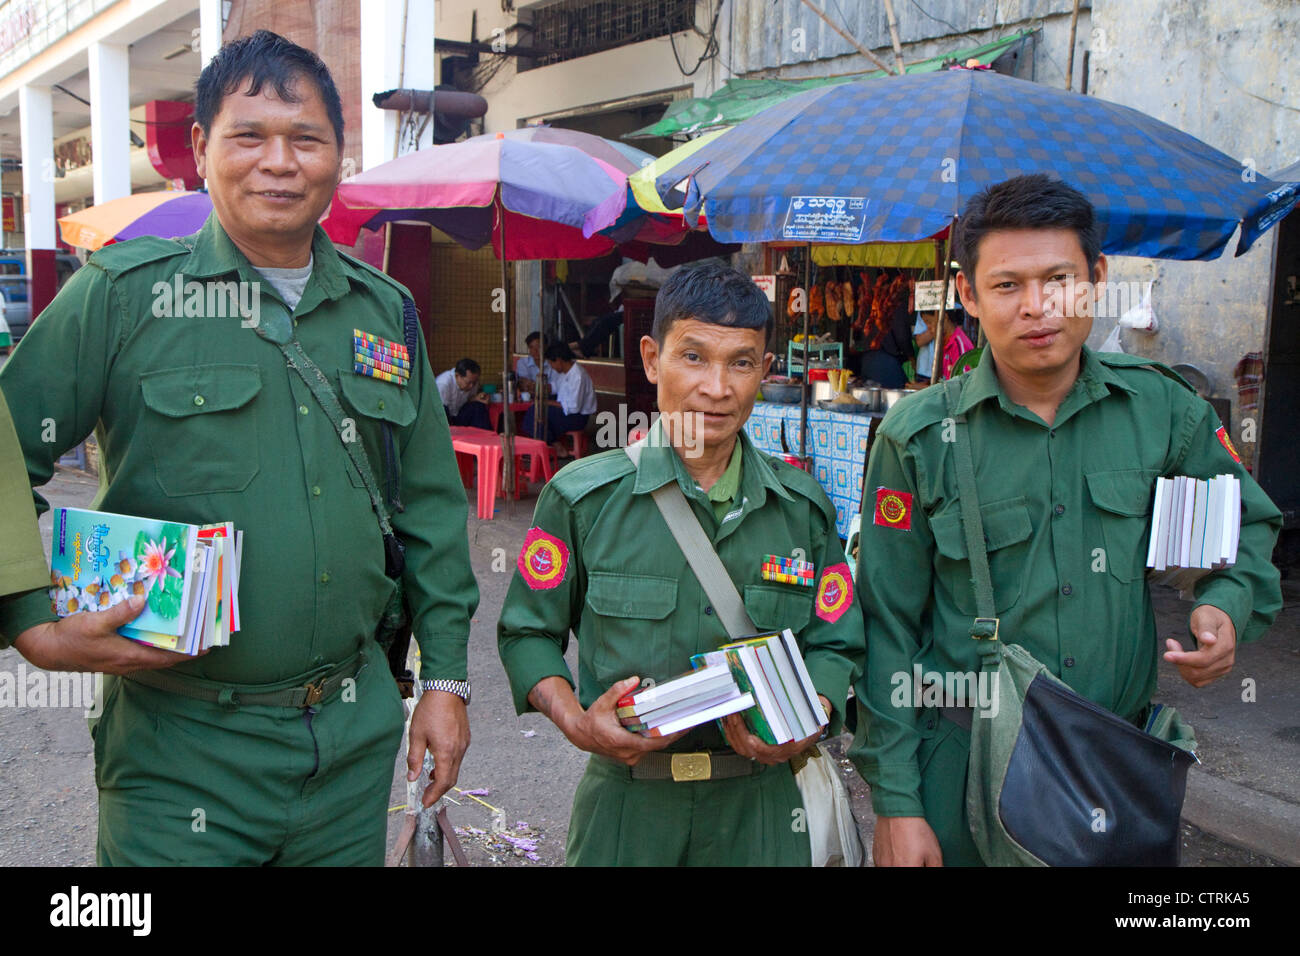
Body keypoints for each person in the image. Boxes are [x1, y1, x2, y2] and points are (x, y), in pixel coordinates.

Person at [0, 30, 477, 866]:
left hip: (349, 740)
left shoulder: (385, 313)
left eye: (306, 138)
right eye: (249, 136)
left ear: (339, 154)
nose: (279, 163)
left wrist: (444, 682)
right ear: (199, 150)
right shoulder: (121, 297)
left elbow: (431, 505)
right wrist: (30, 619)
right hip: (180, 751)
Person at [850, 173, 1283, 867]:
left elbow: (1238, 533)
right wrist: (898, 803)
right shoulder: (920, 437)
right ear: (968, 294)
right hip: (962, 777)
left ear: (1097, 277)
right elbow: (886, 628)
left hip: (1113, 769)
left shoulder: (1162, 412)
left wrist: (1225, 609)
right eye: (1007, 285)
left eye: (1059, 279)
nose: (1038, 307)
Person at [497, 262, 865, 865]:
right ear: (650, 358)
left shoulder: (803, 512)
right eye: (693, 357)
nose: (717, 387)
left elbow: (835, 643)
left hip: (765, 810)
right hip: (627, 810)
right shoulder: (582, 501)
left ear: (765, 373)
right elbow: (526, 634)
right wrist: (577, 721)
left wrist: (813, 715)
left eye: (741, 363)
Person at [521, 342, 597, 453]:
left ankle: (551, 446)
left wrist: (546, 403)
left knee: (536, 411)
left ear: (559, 360)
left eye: (551, 363)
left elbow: (573, 408)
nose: (551, 367)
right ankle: (551, 444)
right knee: (535, 412)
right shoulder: (564, 373)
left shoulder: (578, 376)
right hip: (565, 413)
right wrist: (535, 387)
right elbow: (555, 387)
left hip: (577, 418)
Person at [436, 357, 491, 430]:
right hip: (443, 418)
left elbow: (468, 400)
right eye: (468, 383)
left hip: (458, 415)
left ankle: (482, 436)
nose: (471, 386)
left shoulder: (472, 382)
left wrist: (476, 398)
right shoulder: (443, 384)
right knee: (443, 409)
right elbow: (439, 412)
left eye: (474, 383)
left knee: (478, 406)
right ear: (457, 376)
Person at [514, 331, 557, 396]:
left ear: (545, 347)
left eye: (538, 347)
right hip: (531, 397)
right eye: (531, 347)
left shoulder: (554, 362)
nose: (535, 350)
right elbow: (524, 384)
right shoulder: (523, 362)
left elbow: (556, 387)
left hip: (553, 397)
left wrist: (535, 386)